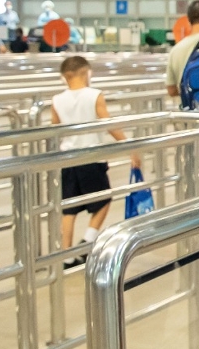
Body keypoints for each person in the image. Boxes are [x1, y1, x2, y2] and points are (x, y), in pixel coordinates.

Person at [51, 56, 141, 268]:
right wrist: (129, 147)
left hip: (68, 159)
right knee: (103, 199)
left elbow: (55, 129)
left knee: (69, 208)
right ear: (86, 73)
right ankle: (88, 240)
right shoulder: (94, 95)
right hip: (92, 158)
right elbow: (108, 124)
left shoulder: (57, 100)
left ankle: (66, 254)